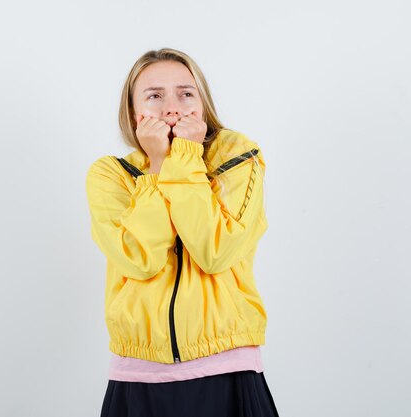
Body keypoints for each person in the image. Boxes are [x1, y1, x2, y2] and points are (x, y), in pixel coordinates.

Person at [85, 48, 280, 417]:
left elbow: (215, 251)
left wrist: (185, 157)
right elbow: (139, 260)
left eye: (186, 94)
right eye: (154, 96)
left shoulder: (237, 157)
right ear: (133, 112)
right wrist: (158, 166)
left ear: (203, 105)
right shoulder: (110, 174)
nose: (171, 108)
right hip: (138, 375)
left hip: (227, 369)